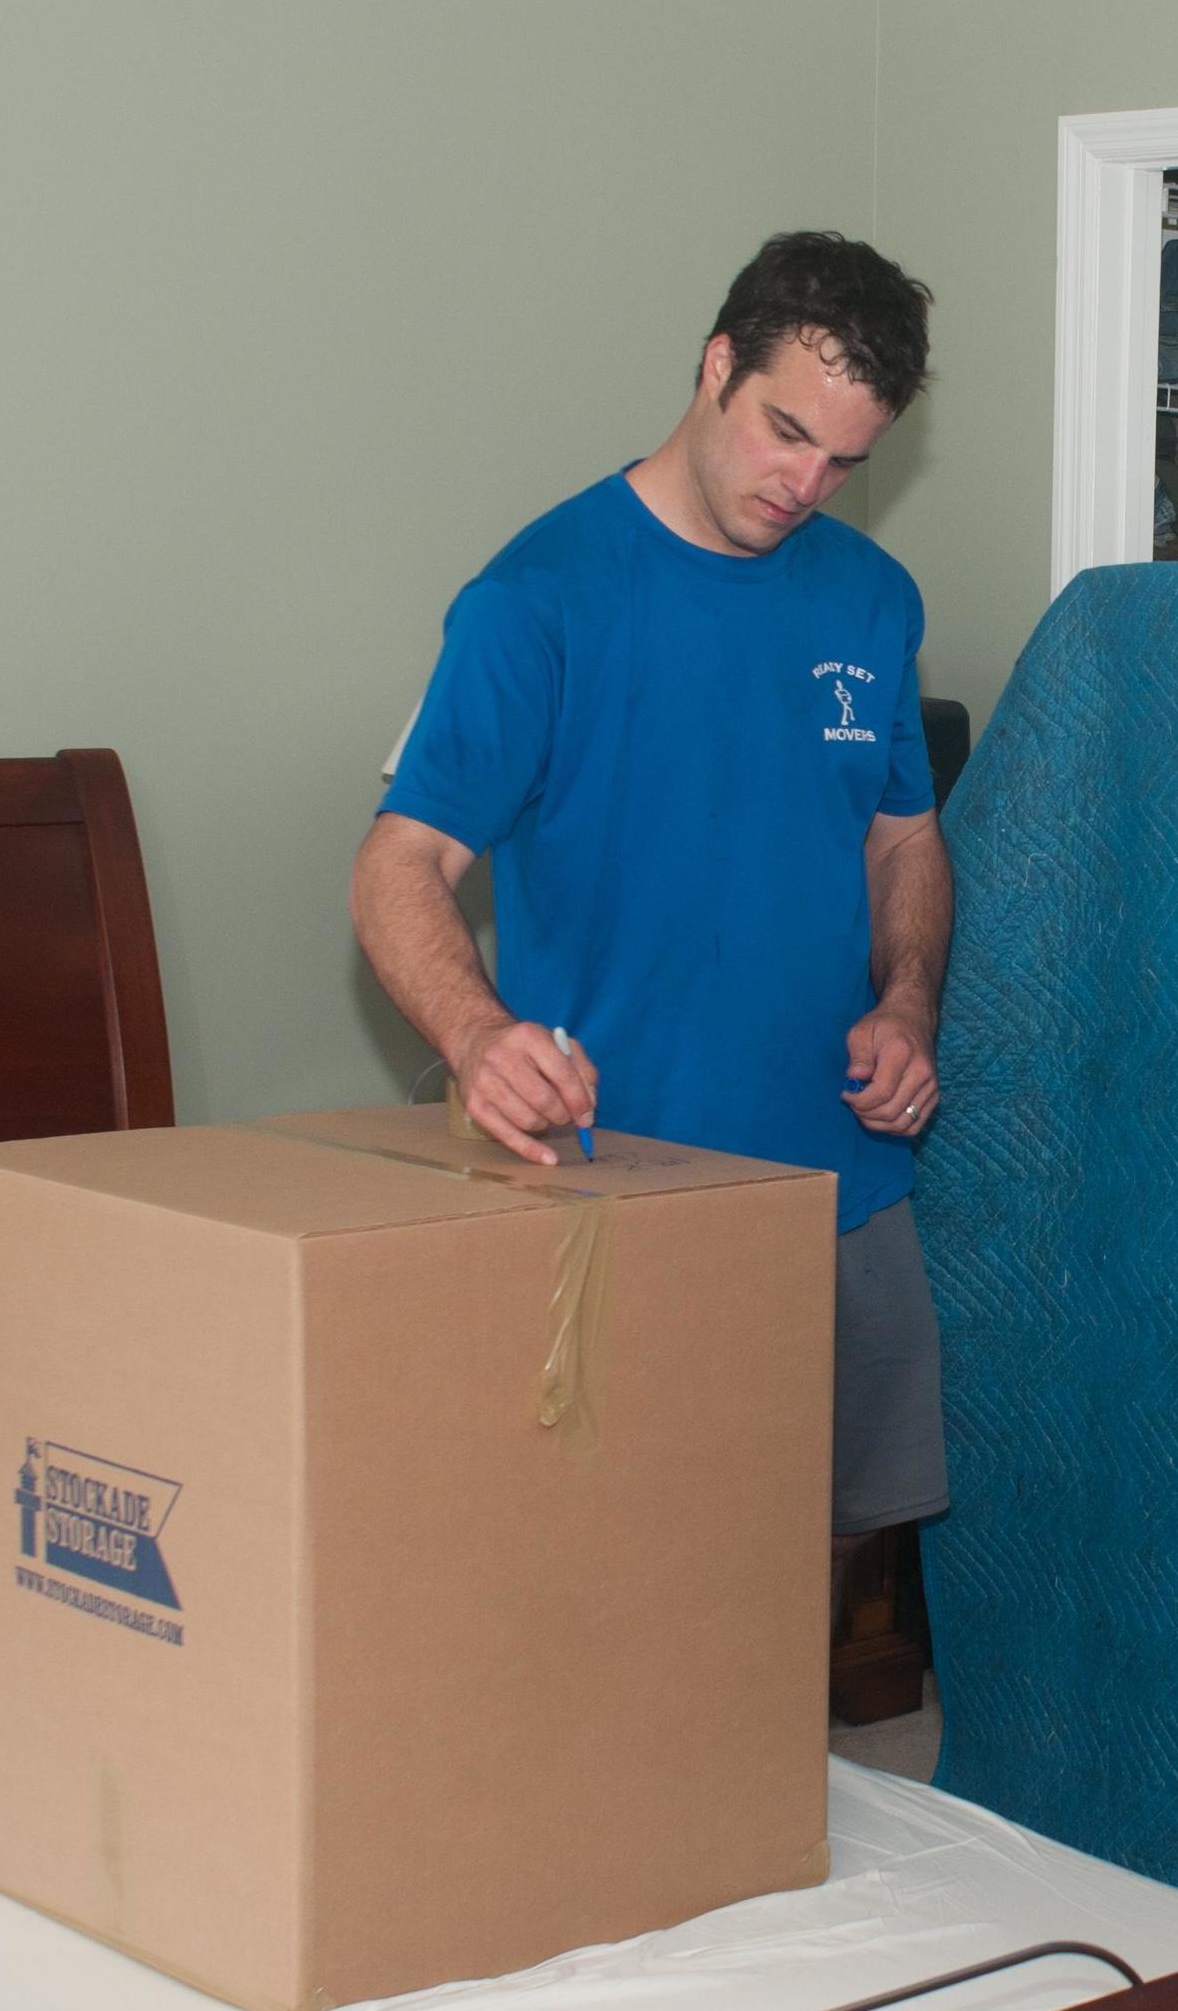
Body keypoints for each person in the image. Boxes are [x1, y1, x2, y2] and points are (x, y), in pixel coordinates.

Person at [353, 230, 956, 1600]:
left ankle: (753, 1788)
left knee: (832, 1530)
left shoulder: (870, 598)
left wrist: (909, 998)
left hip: (840, 1176)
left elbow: (905, 838)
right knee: (628, 1568)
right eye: (784, 431)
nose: (804, 483)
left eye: (844, 461)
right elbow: (395, 866)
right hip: (622, 1178)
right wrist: (477, 1033)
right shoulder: (537, 601)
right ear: (714, 366)